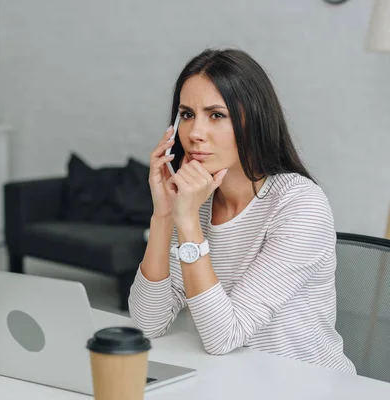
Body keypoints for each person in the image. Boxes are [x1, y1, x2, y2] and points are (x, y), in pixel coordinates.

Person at [128, 48, 356, 374]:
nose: (195, 133)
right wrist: (163, 214)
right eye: (188, 114)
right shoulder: (198, 200)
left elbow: (223, 335)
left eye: (217, 115)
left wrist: (188, 221)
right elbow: (146, 324)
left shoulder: (301, 205)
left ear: (254, 121)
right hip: (229, 379)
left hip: (307, 385)